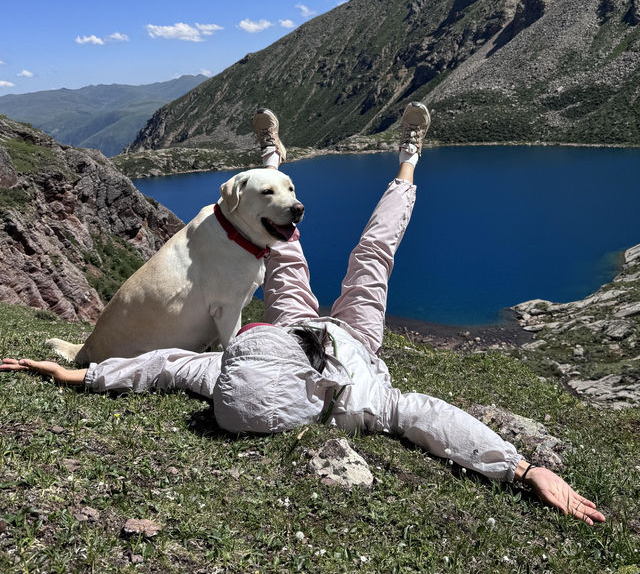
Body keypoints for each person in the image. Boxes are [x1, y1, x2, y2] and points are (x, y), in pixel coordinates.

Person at [1, 104, 605, 526]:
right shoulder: (360, 402)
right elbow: (432, 418)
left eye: (251, 345)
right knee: (374, 250)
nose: (253, 340)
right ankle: (408, 163)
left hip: (300, 317)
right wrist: (524, 470)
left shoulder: (231, 376)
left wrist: (79, 373)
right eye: (257, 345)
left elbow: (165, 367)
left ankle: (271, 160)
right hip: (359, 339)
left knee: (282, 243)